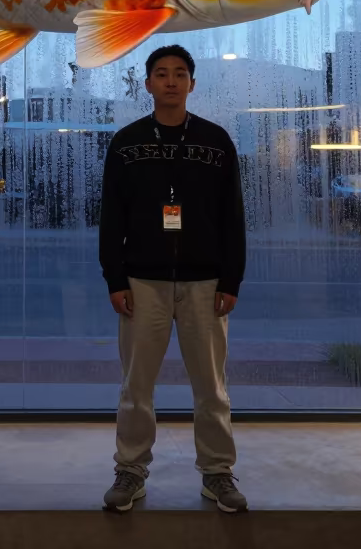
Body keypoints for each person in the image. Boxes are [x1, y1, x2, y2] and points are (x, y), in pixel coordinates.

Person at [98, 44, 248, 514]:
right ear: (147, 84)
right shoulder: (126, 143)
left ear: (191, 84)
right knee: (136, 387)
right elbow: (111, 218)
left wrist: (232, 280)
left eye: (179, 74)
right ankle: (131, 471)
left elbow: (232, 218)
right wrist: (115, 279)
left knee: (211, 388)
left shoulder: (215, 141)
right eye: (160, 73)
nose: (170, 81)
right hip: (143, 282)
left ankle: (218, 473)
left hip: (206, 283)